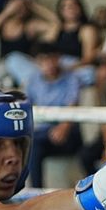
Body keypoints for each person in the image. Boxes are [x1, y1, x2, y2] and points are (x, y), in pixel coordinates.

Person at [25, 42, 82, 189]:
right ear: (37, 62)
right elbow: (26, 107)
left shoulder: (71, 78)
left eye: (52, 59)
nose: (48, 64)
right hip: (42, 134)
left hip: (68, 133)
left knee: (35, 143)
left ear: (58, 59)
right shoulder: (33, 79)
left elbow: (72, 106)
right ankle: (36, 192)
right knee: (32, 143)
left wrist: (63, 127)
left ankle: (36, 192)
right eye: (43, 60)